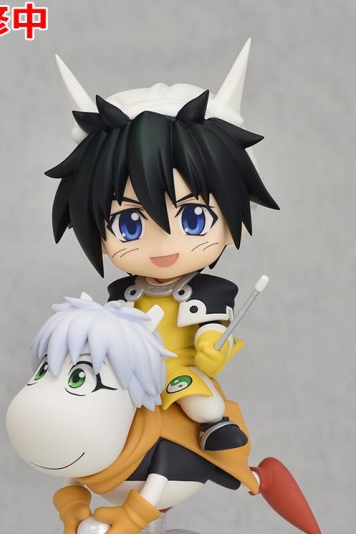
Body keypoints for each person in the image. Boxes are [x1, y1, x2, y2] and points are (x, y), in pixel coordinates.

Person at [45, 42, 279, 451]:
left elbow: (211, 327)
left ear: (231, 224)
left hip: (176, 368)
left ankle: (216, 432)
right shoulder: (123, 293)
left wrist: (210, 348)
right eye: (130, 223)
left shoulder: (210, 292)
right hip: (124, 374)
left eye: (193, 219)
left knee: (201, 403)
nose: (164, 242)